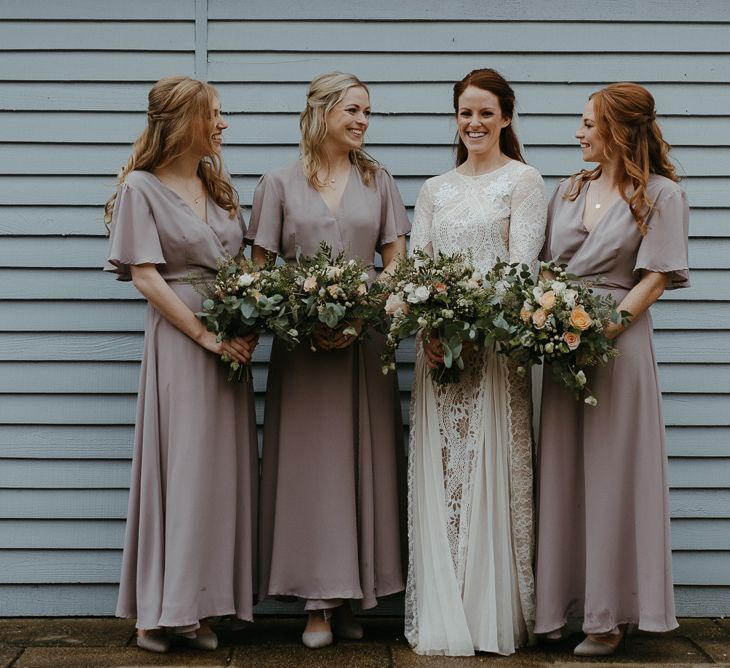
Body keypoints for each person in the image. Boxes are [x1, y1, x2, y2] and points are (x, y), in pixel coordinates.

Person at [246, 71, 410, 649]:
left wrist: (365, 314)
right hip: (302, 350)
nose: (363, 120)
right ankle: (316, 602)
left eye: (368, 111)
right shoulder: (278, 184)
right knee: (312, 471)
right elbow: (259, 273)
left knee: (361, 462)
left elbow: (397, 261)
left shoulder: (380, 180)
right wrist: (304, 316)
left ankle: (354, 591)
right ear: (321, 113)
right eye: (353, 110)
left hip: (365, 346)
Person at [104, 76, 259, 654]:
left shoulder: (216, 187)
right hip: (181, 345)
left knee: (217, 477)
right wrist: (202, 335)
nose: (222, 124)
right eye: (213, 114)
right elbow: (145, 275)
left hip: (230, 345)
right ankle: (156, 614)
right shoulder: (141, 188)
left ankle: (197, 604)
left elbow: (241, 268)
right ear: (184, 121)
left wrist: (244, 325)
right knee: (182, 472)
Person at [534, 82, 689, 656]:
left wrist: (605, 328)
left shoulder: (661, 195)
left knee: (612, 473)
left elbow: (657, 276)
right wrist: (549, 317)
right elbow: (549, 265)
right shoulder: (569, 190)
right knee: (564, 471)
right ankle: (559, 607)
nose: (578, 134)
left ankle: (609, 615)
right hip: (558, 342)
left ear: (618, 131)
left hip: (617, 345)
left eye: (587, 124)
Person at [405, 68, 547, 656]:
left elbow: (522, 268)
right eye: (466, 112)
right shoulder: (435, 189)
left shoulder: (525, 181)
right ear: (455, 118)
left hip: (495, 351)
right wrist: (427, 327)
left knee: (490, 469)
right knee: (444, 476)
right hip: (440, 356)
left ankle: (491, 614)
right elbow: (416, 269)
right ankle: (442, 613)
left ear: (506, 117)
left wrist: (481, 319)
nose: (475, 123)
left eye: (486, 112)